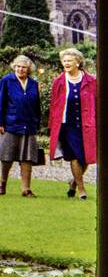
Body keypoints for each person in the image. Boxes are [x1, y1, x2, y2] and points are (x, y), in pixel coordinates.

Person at [49, 47, 97, 201]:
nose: (66, 63)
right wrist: (52, 125)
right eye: (64, 61)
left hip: (87, 125)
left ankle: (73, 183)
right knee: (75, 156)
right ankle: (81, 189)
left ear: (78, 62)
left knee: (86, 157)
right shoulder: (59, 82)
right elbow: (54, 104)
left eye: (69, 60)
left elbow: (98, 102)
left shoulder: (91, 81)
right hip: (67, 126)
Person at [0, 54, 44, 197]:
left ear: (29, 70)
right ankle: (2, 182)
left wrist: (36, 123)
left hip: (28, 125)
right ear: (14, 67)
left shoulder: (33, 84)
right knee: (7, 157)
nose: (21, 69)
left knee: (27, 158)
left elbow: (36, 106)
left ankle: (26, 189)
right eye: (18, 66)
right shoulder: (6, 81)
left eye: (24, 67)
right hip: (10, 124)